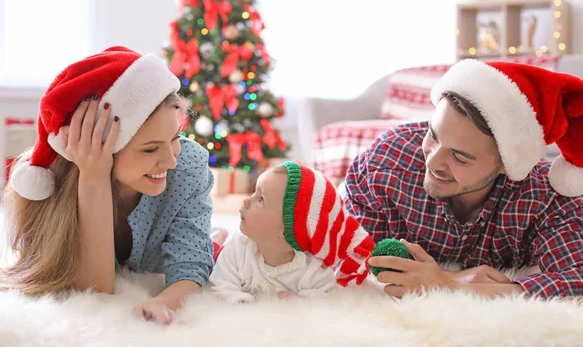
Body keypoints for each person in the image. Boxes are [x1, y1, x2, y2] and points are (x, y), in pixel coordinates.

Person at [345, 59, 583, 299]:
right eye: (433, 135)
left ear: (506, 165)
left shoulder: (545, 195)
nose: (432, 162)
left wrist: (448, 286)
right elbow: (344, 257)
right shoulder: (386, 161)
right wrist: (451, 277)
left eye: (460, 157)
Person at [1, 46, 219, 324]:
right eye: (150, 149)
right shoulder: (44, 187)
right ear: (103, 147)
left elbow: (190, 265)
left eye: (174, 137)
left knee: (212, 247)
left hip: (183, 245)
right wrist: (93, 176)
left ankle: (218, 238)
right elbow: (95, 290)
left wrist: (161, 303)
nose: (170, 161)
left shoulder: (188, 165)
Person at [209, 161, 374, 302]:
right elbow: (220, 282)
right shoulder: (238, 248)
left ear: (287, 231)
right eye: (254, 192)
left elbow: (326, 297)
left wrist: (298, 302)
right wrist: (239, 301)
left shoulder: (311, 270)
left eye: (261, 199)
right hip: (220, 252)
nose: (246, 201)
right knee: (210, 254)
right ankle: (217, 236)